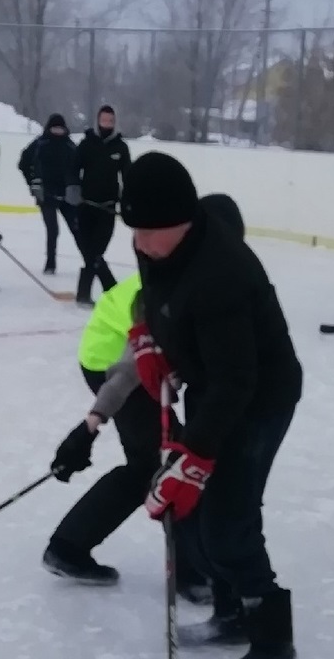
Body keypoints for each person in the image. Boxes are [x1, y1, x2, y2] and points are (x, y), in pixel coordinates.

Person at [119, 154, 303, 659]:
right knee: (199, 515)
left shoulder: (222, 272)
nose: (139, 244)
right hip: (212, 385)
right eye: (134, 231)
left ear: (183, 220)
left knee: (229, 519)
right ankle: (230, 612)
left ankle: (273, 643)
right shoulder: (155, 242)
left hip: (258, 397)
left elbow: (237, 381)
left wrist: (195, 456)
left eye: (149, 232)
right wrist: (147, 338)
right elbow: (149, 296)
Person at [42, 193, 248, 606]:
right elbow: (126, 372)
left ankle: (71, 545)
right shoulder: (166, 292)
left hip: (121, 357)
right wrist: (90, 426)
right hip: (114, 362)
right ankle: (189, 571)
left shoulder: (200, 274)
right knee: (168, 464)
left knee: (159, 463)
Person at [72, 104, 131, 304]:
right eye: (104, 120)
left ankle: (102, 290)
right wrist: (73, 189)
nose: (107, 124)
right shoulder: (86, 144)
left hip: (107, 209)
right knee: (91, 252)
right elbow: (73, 169)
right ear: (98, 121)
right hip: (86, 207)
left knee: (96, 252)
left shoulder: (121, 148)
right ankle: (107, 291)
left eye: (110, 121)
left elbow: (128, 177)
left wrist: (128, 201)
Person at [18, 113, 82, 276]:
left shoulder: (70, 146)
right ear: (49, 128)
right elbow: (23, 163)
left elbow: (79, 169)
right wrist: (32, 182)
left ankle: (90, 260)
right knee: (53, 230)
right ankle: (50, 264)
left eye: (60, 129)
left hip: (67, 195)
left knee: (77, 228)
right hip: (46, 194)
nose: (57, 132)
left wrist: (76, 187)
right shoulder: (39, 144)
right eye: (54, 129)